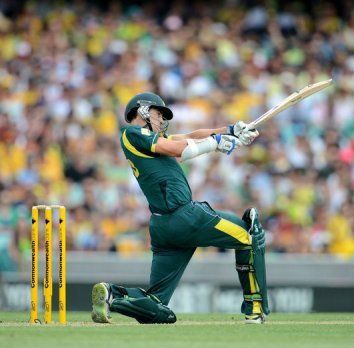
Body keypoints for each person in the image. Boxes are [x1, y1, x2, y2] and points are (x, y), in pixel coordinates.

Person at [91, 92, 268, 324]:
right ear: (142, 111)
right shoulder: (133, 133)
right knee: (248, 235)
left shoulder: (149, 139)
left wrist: (230, 130)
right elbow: (177, 149)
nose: (162, 119)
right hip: (184, 216)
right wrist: (214, 144)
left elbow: (190, 136)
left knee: (156, 303)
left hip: (164, 226)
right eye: (158, 113)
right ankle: (254, 308)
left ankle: (113, 295)